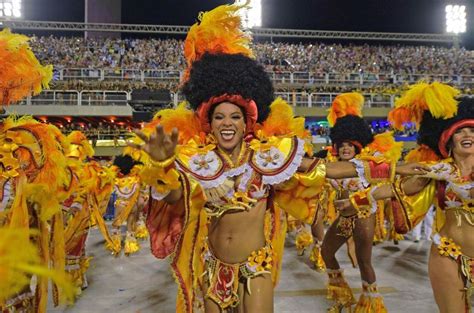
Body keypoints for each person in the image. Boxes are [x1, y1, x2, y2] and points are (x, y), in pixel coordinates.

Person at [127, 4, 424, 312]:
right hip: (213, 266)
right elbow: (176, 196)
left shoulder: (267, 157)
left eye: (234, 117)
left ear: (246, 123)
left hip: (256, 266)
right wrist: (162, 165)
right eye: (219, 117)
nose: (227, 123)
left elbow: (326, 168)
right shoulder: (199, 162)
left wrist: (396, 167)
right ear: (209, 123)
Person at [355, 82, 473, 312]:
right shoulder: (439, 171)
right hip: (448, 253)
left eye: (472, 130)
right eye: (460, 130)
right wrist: (359, 199)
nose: (467, 134)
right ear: (448, 139)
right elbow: (398, 189)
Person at [320, 92, 401, 312]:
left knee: (365, 262)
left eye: (350, 145)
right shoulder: (334, 166)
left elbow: (383, 187)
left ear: (357, 146)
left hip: (364, 217)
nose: (345, 148)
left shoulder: (366, 166)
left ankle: (371, 305)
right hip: (344, 218)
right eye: (341, 144)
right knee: (326, 252)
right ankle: (341, 295)